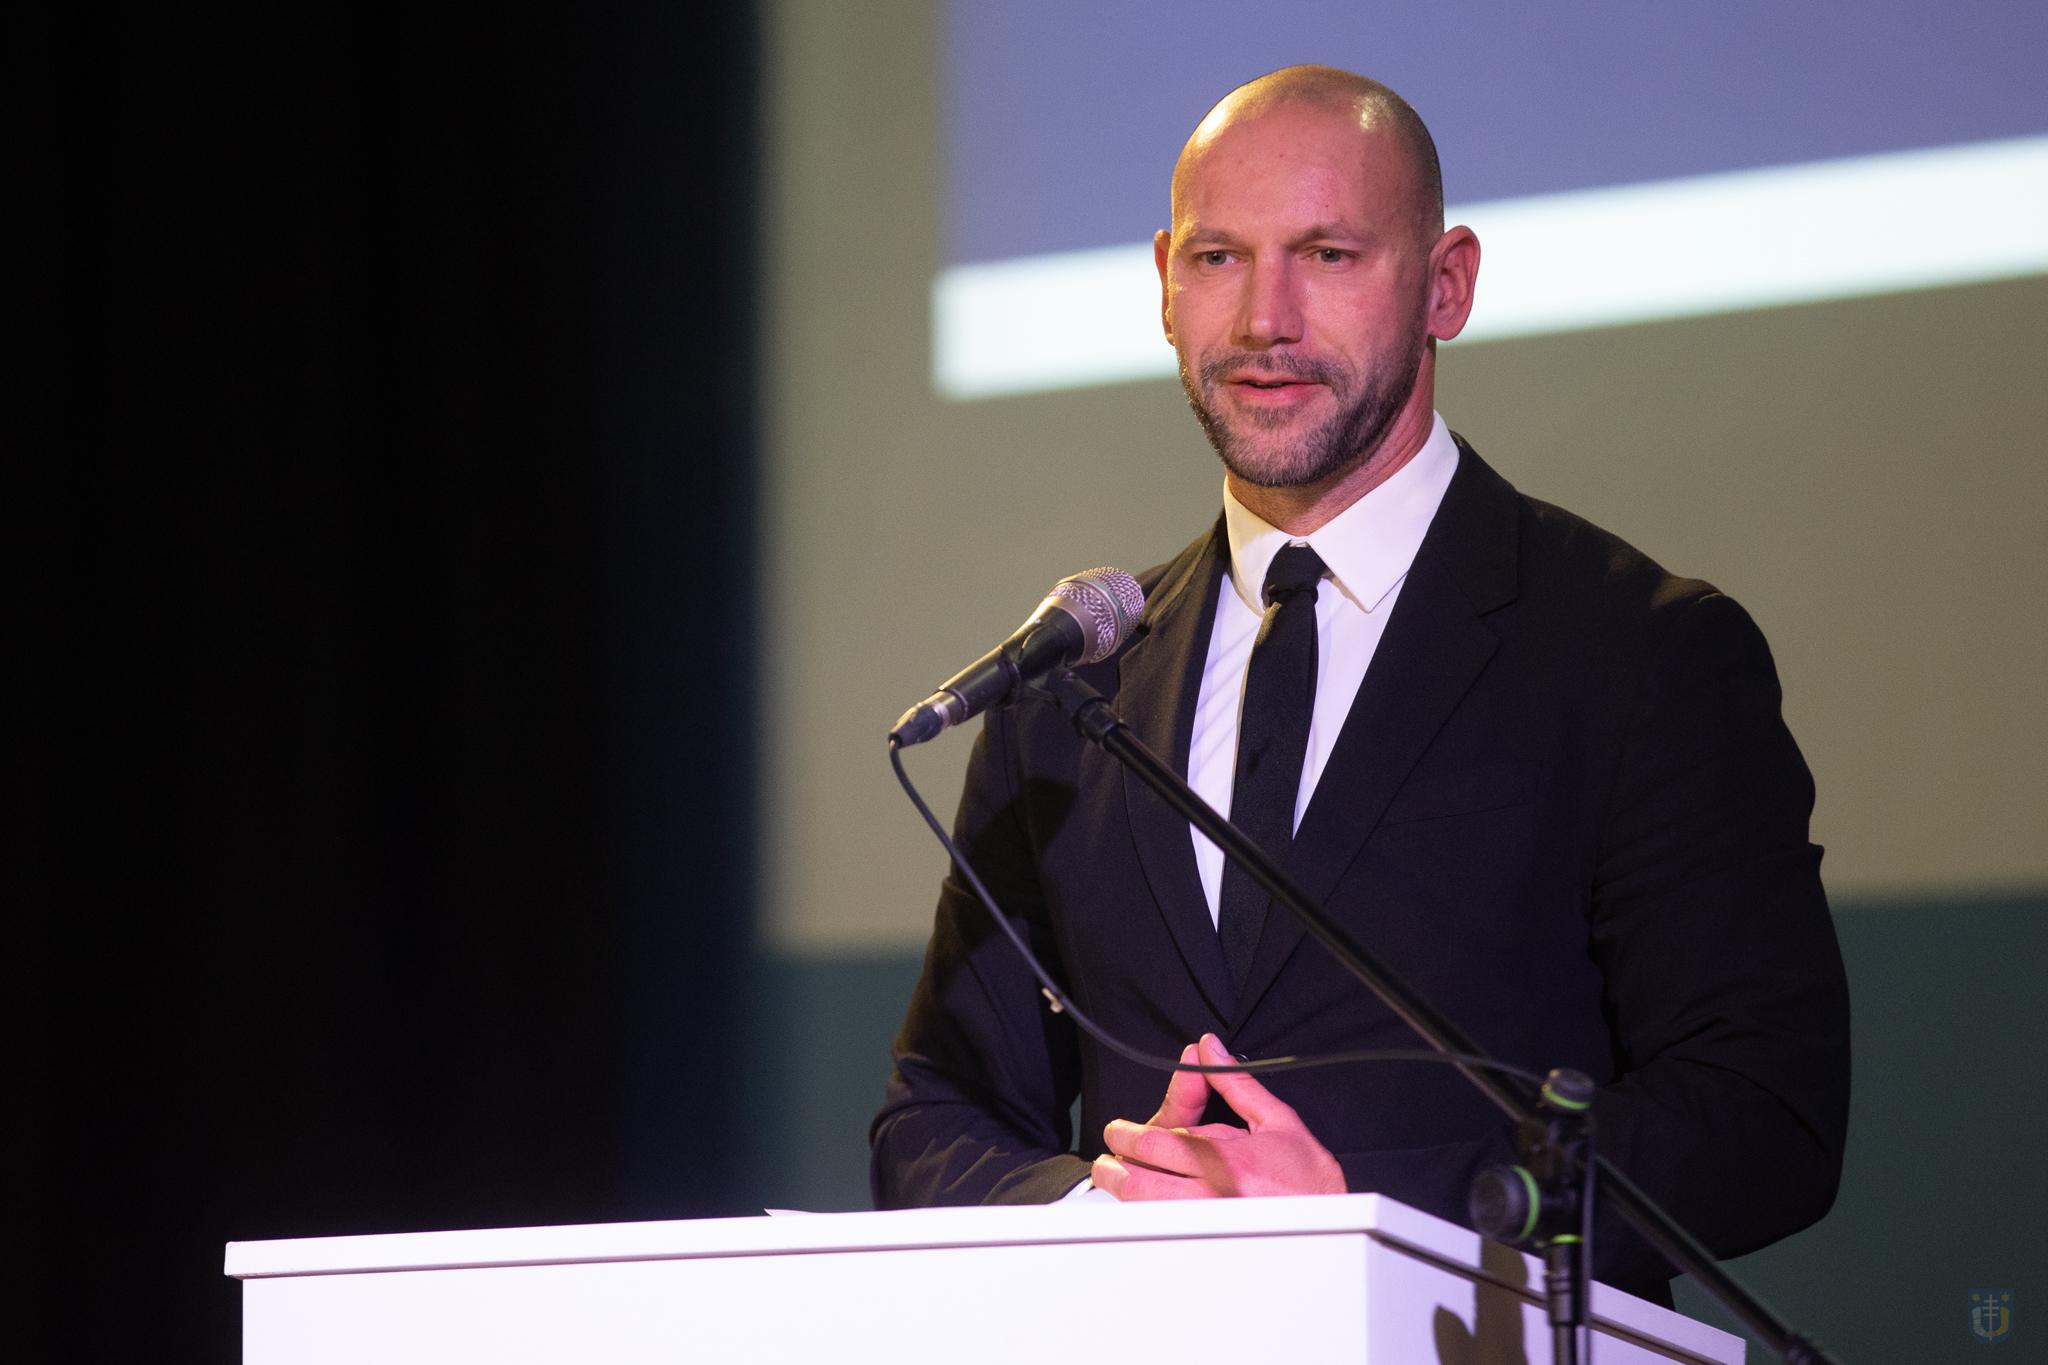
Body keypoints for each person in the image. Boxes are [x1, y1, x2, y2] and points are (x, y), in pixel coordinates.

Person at [871, 65, 1850, 1301]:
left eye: (1326, 255)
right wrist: (1101, 1210)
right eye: (1218, 259)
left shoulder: (1640, 654)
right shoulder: (1069, 690)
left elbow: (1762, 1112)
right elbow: (936, 1114)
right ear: (1165, 283)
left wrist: (1364, 1218)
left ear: (1446, 285)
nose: (1263, 320)